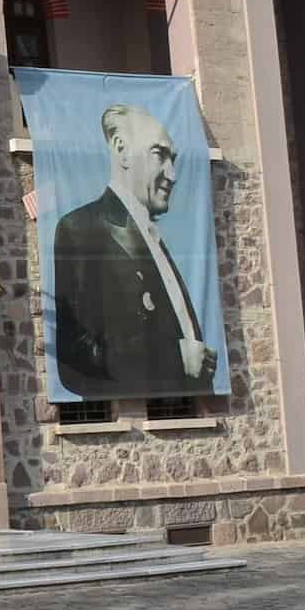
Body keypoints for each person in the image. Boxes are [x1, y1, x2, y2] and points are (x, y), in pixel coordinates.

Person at [51, 102, 216, 399]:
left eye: (173, 159)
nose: (173, 174)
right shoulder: (82, 229)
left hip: (179, 415)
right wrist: (175, 359)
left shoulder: (151, 234)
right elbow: (75, 355)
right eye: (159, 155)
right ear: (121, 149)